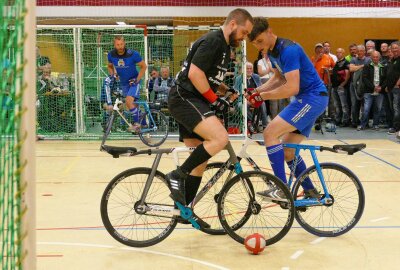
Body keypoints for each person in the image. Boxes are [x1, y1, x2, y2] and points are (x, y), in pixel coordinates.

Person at [166, 9, 253, 214]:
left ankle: (183, 209)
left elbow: (207, 76)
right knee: (221, 138)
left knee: (201, 159)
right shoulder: (214, 40)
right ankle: (177, 175)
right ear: (233, 24)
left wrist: (224, 91)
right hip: (185, 98)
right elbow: (195, 74)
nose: (244, 37)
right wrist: (216, 100)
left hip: (190, 99)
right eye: (244, 32)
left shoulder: (223, 46)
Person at [247, 17, 328, 200]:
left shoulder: (289, 49)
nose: (258, 46)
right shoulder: (273, 51)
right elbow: (277, 78)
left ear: (269, 31)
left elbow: (292, 88)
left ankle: (280, 188)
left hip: (312, 98)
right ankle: (310, 191)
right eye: (254, 43)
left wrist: (263, 96)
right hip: (308, 99)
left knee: (270, 133)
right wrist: (255, 90)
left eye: (260, 41)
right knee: (287, 151)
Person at [107, 35, 147, 132]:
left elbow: (144, 66)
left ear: (124, 43)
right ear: (114, 45)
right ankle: (144, 123)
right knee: (133, 105)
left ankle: (137, 124)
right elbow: (109, 66)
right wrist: (113, 75)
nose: (120, 46)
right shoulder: (111, 55)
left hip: (133, 82)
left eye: (121, 44)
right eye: (117, 44)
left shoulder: (133, 54)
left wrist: (137, 80)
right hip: (123, 83)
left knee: (129, 102)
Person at [358, 51, 386, 131]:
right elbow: (365, 79)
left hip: (380, 91)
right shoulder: (367, 66)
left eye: (377, 57)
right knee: (366, 109)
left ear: (379, 57)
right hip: (368, 91)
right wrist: (373, 87)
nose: (375, 58)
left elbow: (385, 79)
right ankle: (363, 125)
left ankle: (375, 125)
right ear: (371, 57)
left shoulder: (383, 66)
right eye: (374, 57)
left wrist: (381, 87)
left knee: (377, 109)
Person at [331, 48, 351, 126]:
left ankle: (345, 121)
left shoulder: (346, 63)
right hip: (334, 87)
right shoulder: (337, 63)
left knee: (344, 105)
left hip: (342, 87)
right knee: (337, 105)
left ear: (343, 53)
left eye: (340, 52)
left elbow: (347, 75)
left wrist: (342, 85)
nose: (338, 54)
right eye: (337, 52)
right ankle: (338, 119)